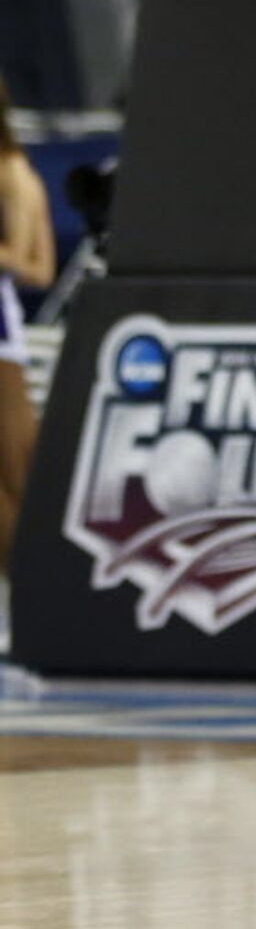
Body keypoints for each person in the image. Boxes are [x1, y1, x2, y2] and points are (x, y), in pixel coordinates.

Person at [0, 73, 55, 571]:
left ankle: (32, 582)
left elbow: (32, 265)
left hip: (2, 349)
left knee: (18, 475)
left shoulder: (13, 173)